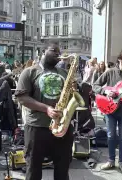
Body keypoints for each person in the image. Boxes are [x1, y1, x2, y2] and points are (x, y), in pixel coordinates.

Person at [15, 44, 73, 180]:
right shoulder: (29, 72)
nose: (57, 54)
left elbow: (71, 98)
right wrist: (46, 109)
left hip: (62, 127)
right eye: (53, 50)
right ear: (43, 51)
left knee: (63, 168)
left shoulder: (64, 73)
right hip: (37, 126)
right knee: (33, 168)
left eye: (59, 52)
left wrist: (74, 92)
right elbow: (22, 98)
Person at [92, 49, 122, 176]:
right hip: (110, 109)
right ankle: (111, 161)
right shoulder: (110, 72)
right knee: (110, 136)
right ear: (120, 59)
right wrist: (106, 92)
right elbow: (95, 86)